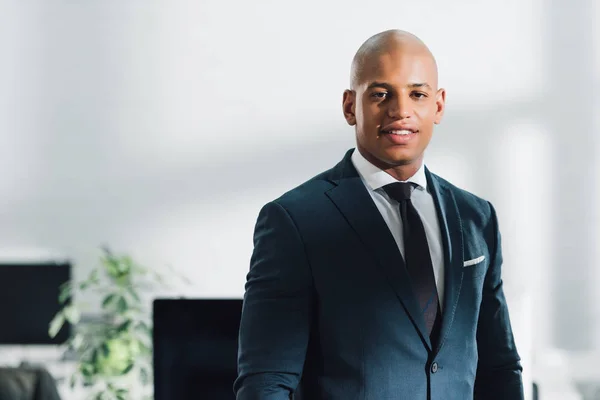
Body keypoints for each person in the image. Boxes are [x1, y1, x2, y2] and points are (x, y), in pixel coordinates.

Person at [234, 29, 524, 400]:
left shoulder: (476, 217)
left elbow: (500, 368)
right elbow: (265, 384)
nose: (400, 110)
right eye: (381, 94)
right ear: (350, 106)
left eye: (417, 94)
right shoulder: (295, 221)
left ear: (438, 106)